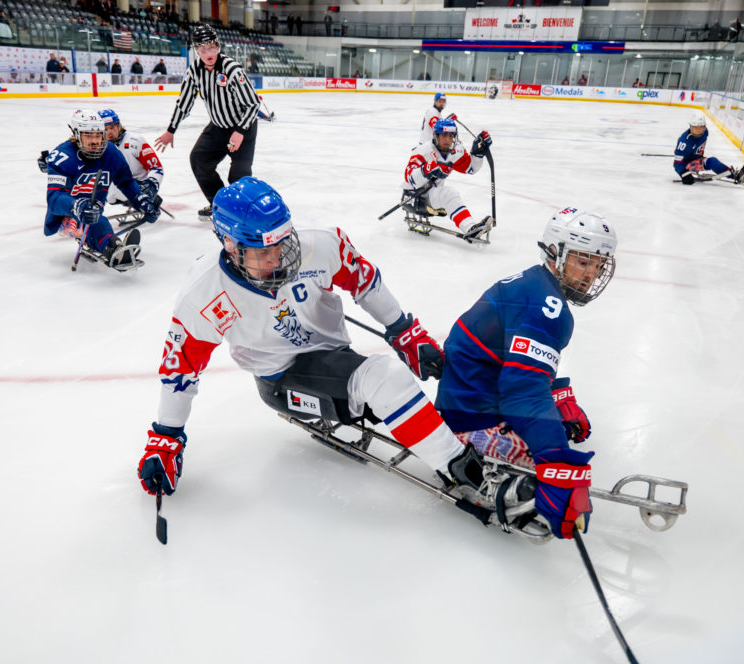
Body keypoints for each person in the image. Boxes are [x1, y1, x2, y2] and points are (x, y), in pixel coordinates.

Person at [137, 176, 533, 526]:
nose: (280, 258)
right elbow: (180, 371)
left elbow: (364, 280)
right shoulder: (203, 294)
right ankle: (467, 474)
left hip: (333, 355)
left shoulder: (318, 243)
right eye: (263, 252)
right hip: (281, 377)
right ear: (229, 244)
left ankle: (466, 424)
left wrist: (404, 330)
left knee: (415, 371)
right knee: (386, 377)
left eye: (283, 243)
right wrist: (166, 439)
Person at [435, 207, 618, 539]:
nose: (590, 275)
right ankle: (479, 475)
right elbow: (522, 391)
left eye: (597, 265)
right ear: (554, 253)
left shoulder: (536, 284)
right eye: (582, 262)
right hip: (471, 418)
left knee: (554, 434)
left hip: (470, 393)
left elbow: (521, 367)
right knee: (553, 466)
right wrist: (555, 461)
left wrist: (558, 393)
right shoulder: (548, 305)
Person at [154, 25, 261, 222]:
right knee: (199, 160)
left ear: (217, 46)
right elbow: (184, 102)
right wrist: (171, 130)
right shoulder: (194, 70)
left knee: (239, 176)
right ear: (196, 50)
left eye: (211, 47)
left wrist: (239, 131)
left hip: (243, 127)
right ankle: (219, 205)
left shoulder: (232, 69)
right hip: (218, 127)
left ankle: (241, 214)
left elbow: (253, 104)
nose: (208, 53)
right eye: (202, 49)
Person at [43, 109, 162, 271]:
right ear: (77, 134)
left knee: (94, 217)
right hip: (65, 213)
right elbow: (54, 198)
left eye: (98, 135)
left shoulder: (111, 152)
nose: (95, 141)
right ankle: (113, 248)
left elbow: (126, 181)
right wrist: (76, 206)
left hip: (93, 208)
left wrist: (141, 201)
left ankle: (114, 248)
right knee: (95, 220)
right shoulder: (63, 156)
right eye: (88, 135)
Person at [403, 119, 494, 242]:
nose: (447, 140)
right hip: (413, 197)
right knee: (449, 193)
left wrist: (477, 154)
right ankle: (469, 228)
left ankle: (471, 228)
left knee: (447, 194)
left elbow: (471, 168)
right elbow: (409, 178)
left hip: (431, 194)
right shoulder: (424, 150)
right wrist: (426, 169)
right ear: (436, 136)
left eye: (451, 136)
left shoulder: (454, 151)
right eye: (444, 135)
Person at [97, 109, 165, 206]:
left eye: (112, 127)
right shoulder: (97, 147)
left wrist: (151, 184)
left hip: (138, 187)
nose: (109, 132)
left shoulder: (135, 141)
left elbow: (156, 167)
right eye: (105, 129)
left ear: (119, 125)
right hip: (114, 190)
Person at [674, 112, 744, 185]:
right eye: (695, 128)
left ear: (704, 127)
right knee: (712, 161)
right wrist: (683, 173)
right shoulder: (684, 142)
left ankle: (733, 174)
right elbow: (677, 163)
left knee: (712, 162)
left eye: (701, 127)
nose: (698, 130)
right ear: (690, 127)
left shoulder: (705, 132)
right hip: (686, 164)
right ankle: (734, 175)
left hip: (697, 159)